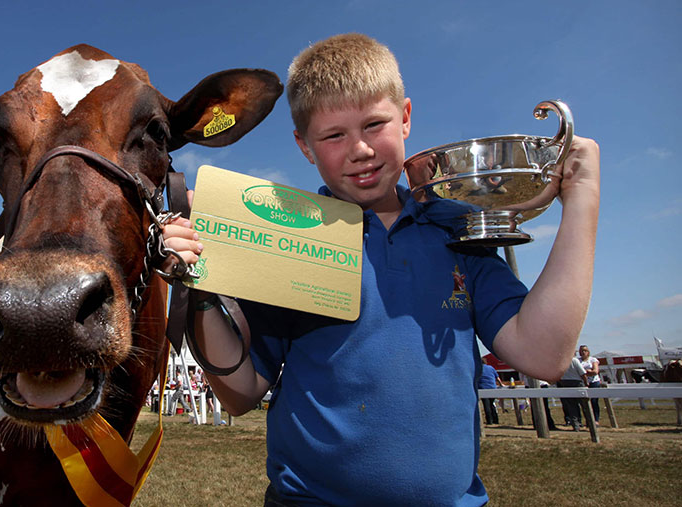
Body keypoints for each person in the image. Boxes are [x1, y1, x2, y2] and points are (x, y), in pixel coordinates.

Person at [161, 33, 599, 505]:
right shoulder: (289, 239)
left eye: (374, 124)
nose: (361, 150)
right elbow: (241, 393)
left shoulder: (455, 230)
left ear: (405, 117)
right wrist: (198, 290)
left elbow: (546, 356)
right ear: (304, 146)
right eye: (333, 135)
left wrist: (583, 199)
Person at [556, 356, 588, 431]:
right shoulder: (574, 360)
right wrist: (586, 383)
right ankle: (589, 423)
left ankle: (575, 425)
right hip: (577, 382)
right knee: (585, 405)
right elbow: (583, 373)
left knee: (571, 406)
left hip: (565, 382)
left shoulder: (559, 361)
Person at [579, 344, 601, 425]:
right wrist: (587, 372)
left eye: (585, 350)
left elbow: (595, 371)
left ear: (588, 352)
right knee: (584, 403)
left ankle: (596, 419)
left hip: (594, 382)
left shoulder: (593, 360)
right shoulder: (578, 361)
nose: (583, 352)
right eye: (581, 351)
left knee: (594, 401)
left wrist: (585, 373)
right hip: (583, 382)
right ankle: (588, 420)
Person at [479, 358, 502, 425]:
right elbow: (497, 377)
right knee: (492, 404)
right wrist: (501, 384)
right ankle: (496, 419)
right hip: (492, 387)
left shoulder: (478, 369)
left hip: (483, 388)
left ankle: (489, 421)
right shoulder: (491, 368)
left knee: (486, 405)